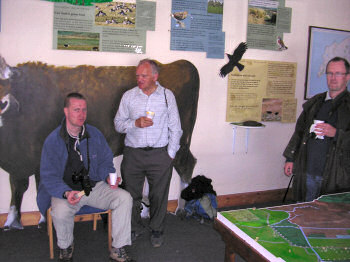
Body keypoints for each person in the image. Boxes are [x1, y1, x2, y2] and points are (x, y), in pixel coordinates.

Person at [37, 93, 134, 262]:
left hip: (94, 187)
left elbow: (105, 161)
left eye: (84, 110)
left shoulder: (94, 134)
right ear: (66, 112)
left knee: (124, 198)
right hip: (67, 191)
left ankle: (118, 248)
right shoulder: (53, 140)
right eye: (76, 110)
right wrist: (65, 192)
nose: (81, 114)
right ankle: (66, 247)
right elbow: (49, 176)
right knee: (59, 211)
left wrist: (108, 177)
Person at [114, 59, 183, 247]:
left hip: (160, 155)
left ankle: (157, 230)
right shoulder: (128, 96)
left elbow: (176, 128)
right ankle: (133, 228)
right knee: (130, 196)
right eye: (137, 75)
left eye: (144, 76)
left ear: (155, 76)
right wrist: (135, 123)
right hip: (133, 154)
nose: (139, 79)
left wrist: (170, 153)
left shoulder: (167, 96)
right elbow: (118, 124)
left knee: (159, 196)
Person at [283, 57, 350, 202]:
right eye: (330, 73)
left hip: (336, 176)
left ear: (347, 77)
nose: (333, 78)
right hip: (307, 171)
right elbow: (299, 132)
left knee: (328, 218)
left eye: (338, 73)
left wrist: (336, 134)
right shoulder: (315, 102)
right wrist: (290, 158)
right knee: (304, 213)